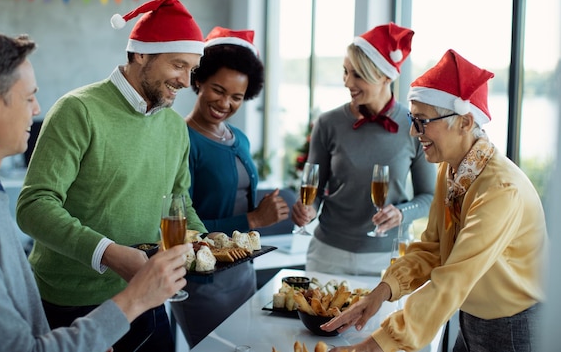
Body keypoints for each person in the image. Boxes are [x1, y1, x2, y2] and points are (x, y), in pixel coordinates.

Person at [0, 27, 191, 352]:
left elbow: (19, 318)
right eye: (29, 97)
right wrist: (131, 301)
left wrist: (86, 339)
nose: (37, 108)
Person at [16, 0, 208, 352]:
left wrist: (210, 243)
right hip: (70, 303)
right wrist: (109, 253)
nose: (185, 80)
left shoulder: (174, 128)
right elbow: (33, 206)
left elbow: (181, 205)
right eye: (178, 65)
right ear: (140, 54)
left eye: (192, 69)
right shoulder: (78, 110)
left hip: (148, 295)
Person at [322, 49, 548, 352]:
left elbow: (452, 278)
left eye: (424, 121)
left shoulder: (500, 191)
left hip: (512, 328)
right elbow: (432, 249)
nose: (415, 132)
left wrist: (372, 346)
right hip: (469, 315)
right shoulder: (451, 169)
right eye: (412, 119)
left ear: (466, 122)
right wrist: (380, 293)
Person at [171, 27, 290, 347]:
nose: (225, 103)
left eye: (237, 97)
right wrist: (252, 221)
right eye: (218, 90)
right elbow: (179, 226)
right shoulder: (182, 140)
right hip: (204, 280)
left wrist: (270, 211)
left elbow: (237, 200)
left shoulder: (240, 139)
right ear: (198, 80)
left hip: (242, 273)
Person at [291, 22, 436, 276]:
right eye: (345, 72)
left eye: (357, 74)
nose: (347, 82)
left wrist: (402, 213)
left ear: (386, 77)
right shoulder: (328, 123)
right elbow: (313, 190)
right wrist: (307, 210)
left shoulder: (412, 126)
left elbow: (429, 196)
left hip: (387, 259)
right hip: (328, 254)